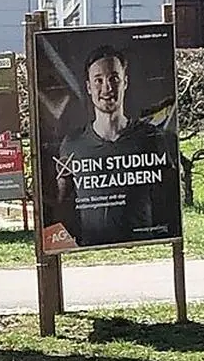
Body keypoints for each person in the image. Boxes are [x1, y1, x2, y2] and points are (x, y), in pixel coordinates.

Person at [54, 45, 179, 247]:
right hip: (89, 250)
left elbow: (169, 202)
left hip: (142, 248)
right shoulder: (72, 144)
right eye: (98, 80)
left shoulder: (151, 138)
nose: (107, 88)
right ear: (88, 87)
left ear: (125, 82)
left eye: (114, 78)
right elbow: (63, 206)